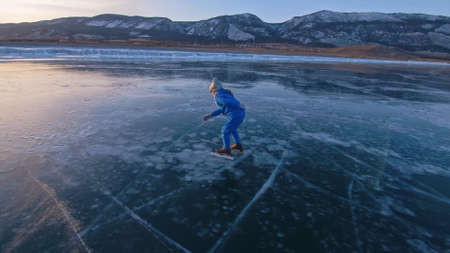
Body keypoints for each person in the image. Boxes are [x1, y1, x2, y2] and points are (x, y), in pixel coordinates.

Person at [202, 78, 245, 157]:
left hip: (235, 115)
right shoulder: (225, 93)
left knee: (225, 131)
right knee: (233, 129)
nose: (212, 95)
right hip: (240, 113)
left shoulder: (218, 95)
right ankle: (238, 146)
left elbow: (228, 102)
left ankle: (226, 150)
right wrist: (210, 115)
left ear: (213, 91)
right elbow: (222, 109)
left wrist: (238, 105)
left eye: (211, 93)